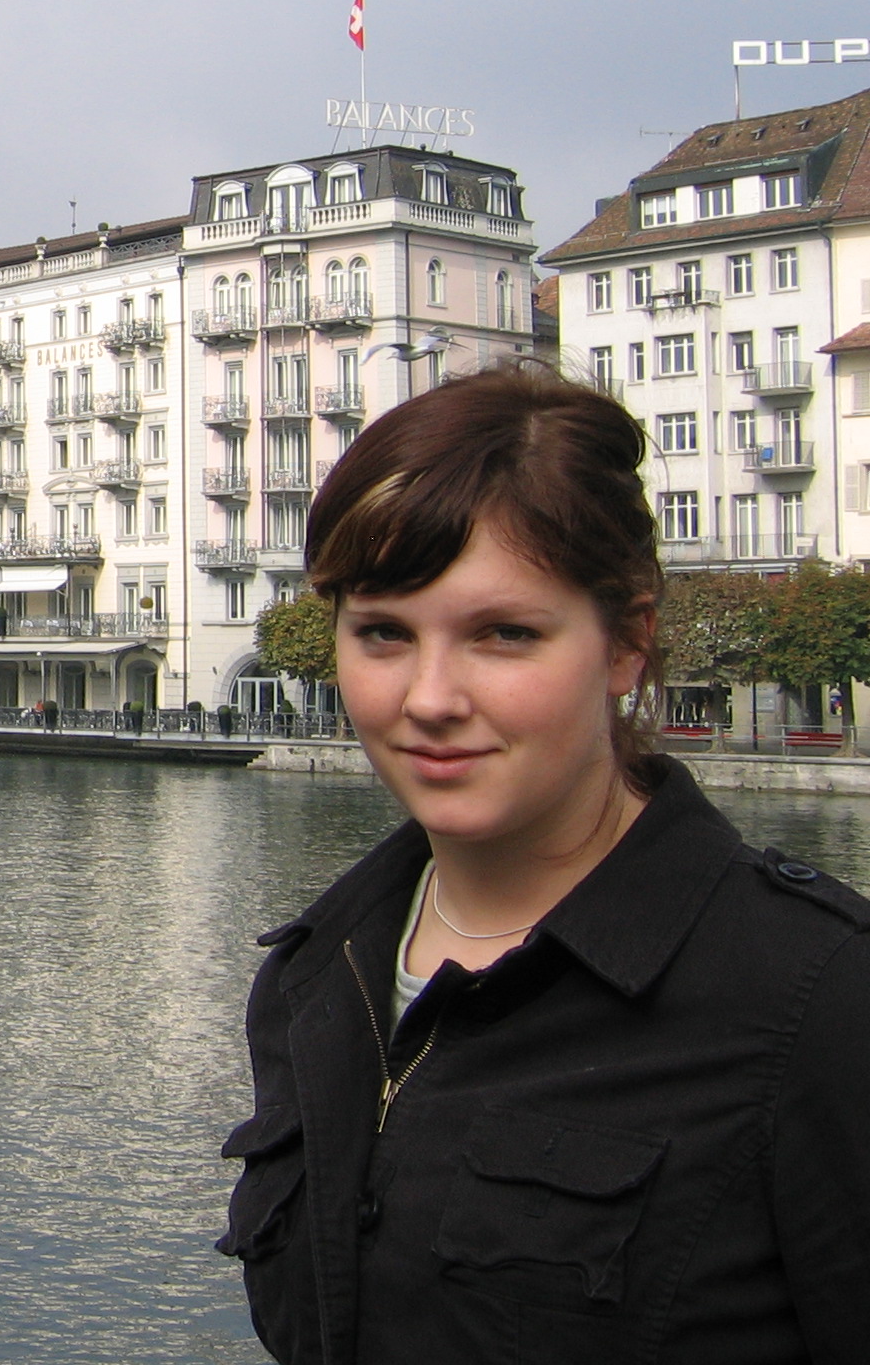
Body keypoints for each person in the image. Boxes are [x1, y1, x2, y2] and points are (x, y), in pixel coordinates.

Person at [220, 366, 870, 1361]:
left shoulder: (817, 1001)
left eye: (503, 634)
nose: (430, 697)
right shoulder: (317, 975)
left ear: (626, 643)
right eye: (383, 633)